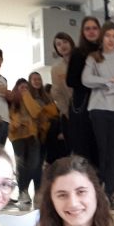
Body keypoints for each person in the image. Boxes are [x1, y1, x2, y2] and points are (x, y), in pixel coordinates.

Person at [81, 22, 114, 205]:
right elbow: (86, 79)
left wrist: (103, 86)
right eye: (108, 36)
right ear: (102, 37)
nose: (111, 39)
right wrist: (109, 81)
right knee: (103, 152)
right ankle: (103, 189)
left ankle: (109, 191)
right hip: (98, 109)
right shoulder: (93, 57)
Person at [66, 16, 102, 163]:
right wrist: (94, 82)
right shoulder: (78, 53)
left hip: (102, 104)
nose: (91, 31)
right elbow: (70, 81)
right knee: (84, 148)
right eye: (87, 29)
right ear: (82, 32)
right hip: (83, 106)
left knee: (100, 147)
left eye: (94, 28)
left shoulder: (106, 51)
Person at [7, 78, 42, 209]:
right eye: (21, 87)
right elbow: (10, 118)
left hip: (32, 135)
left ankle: (24, 189)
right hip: (17, 136)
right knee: (21, 164)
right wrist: (18, 123)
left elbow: (35, 112)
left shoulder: (31, 99)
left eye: (26, 87)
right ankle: (23, 191)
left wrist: (26, 96)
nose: (24, 90)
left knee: (33, 163)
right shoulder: (12, 101)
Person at [48, 32, 74, 163]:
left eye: (64, 42)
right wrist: (67, 112)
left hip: (86, 111)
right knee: (73, 151)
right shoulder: (56, 68)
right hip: (68, 113)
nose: (62, 46)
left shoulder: (82, 61)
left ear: (71, 42)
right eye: (58, 44)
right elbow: (57, 93)